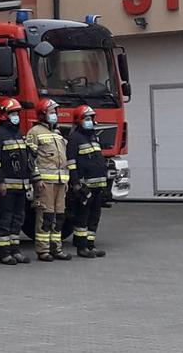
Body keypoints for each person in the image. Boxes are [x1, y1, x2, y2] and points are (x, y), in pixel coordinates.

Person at [24, 98, 72, 262]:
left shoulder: (57, 134)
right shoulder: (34, 133)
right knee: (45, 215)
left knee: (59, 216)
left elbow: (63, 158)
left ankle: (56, 248)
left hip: (60, 181)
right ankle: (43, 250)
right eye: (52, 112)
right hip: (45, 182)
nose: (55, 115)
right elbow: (30, 159)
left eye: (55, 112)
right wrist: (36, 179)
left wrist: (66, 180)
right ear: (43, 114)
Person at [0, 98, 32, 265]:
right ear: (5, 115)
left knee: (18, 218)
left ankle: (15, 250)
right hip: (6, 186)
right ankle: (3, 253)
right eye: (13, 113)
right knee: (4, 218)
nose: (16, 116)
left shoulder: (18, 134)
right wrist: (0, 182)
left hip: (20, 185)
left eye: (17, 113)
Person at [64, 105, 109, 258]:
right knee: (82, 217)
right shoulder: (75, 138)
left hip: (98, 186)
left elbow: (98, 161)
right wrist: (76, 184)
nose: (90, 121)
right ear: (79, 120)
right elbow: (71, 163)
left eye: (91, 118)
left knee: (94, 217)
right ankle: (81, 247)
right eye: (87, 118)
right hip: (85, 186)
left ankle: (90, 245)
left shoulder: (93, 137)